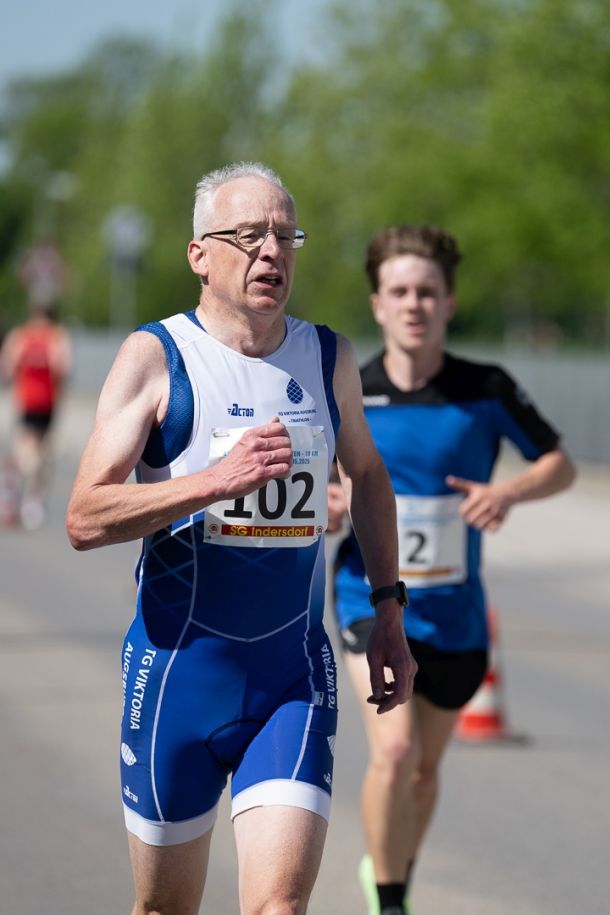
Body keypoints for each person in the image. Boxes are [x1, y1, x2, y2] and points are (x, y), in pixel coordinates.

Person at [66, 162, 417, 915]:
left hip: (292, 676)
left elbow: (367, 474)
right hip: (176, 677)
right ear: (200, 254)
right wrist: (212, 482)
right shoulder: (156, 357)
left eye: (286, 235)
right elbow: (85, 516)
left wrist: (389, 607)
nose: (272, 252)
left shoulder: (328, 357)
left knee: (278, 906)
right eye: (250, 235)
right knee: (165, 909)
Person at [328, 225, 576, 915]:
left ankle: (389, 870)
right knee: (395, 750)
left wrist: (508, 492)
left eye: (427, 292)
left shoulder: (485, 388)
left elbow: (559, 464)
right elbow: (310, 482)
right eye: (400, 291)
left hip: (456, 613)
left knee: (424, 769)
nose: (414, 304)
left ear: (449, 303)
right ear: (378, 305)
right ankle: (391, 901)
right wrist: (330, 503)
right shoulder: (350, 391)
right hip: (368, 599)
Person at [0, 300, 71, 529]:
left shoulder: (21, 336)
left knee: (29, 451)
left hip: (26, 402)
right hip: (46, 403)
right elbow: (63, 368)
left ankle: (20, 493)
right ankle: (32, 500)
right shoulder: (56, 337)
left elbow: (8, 367)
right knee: (40, 453)